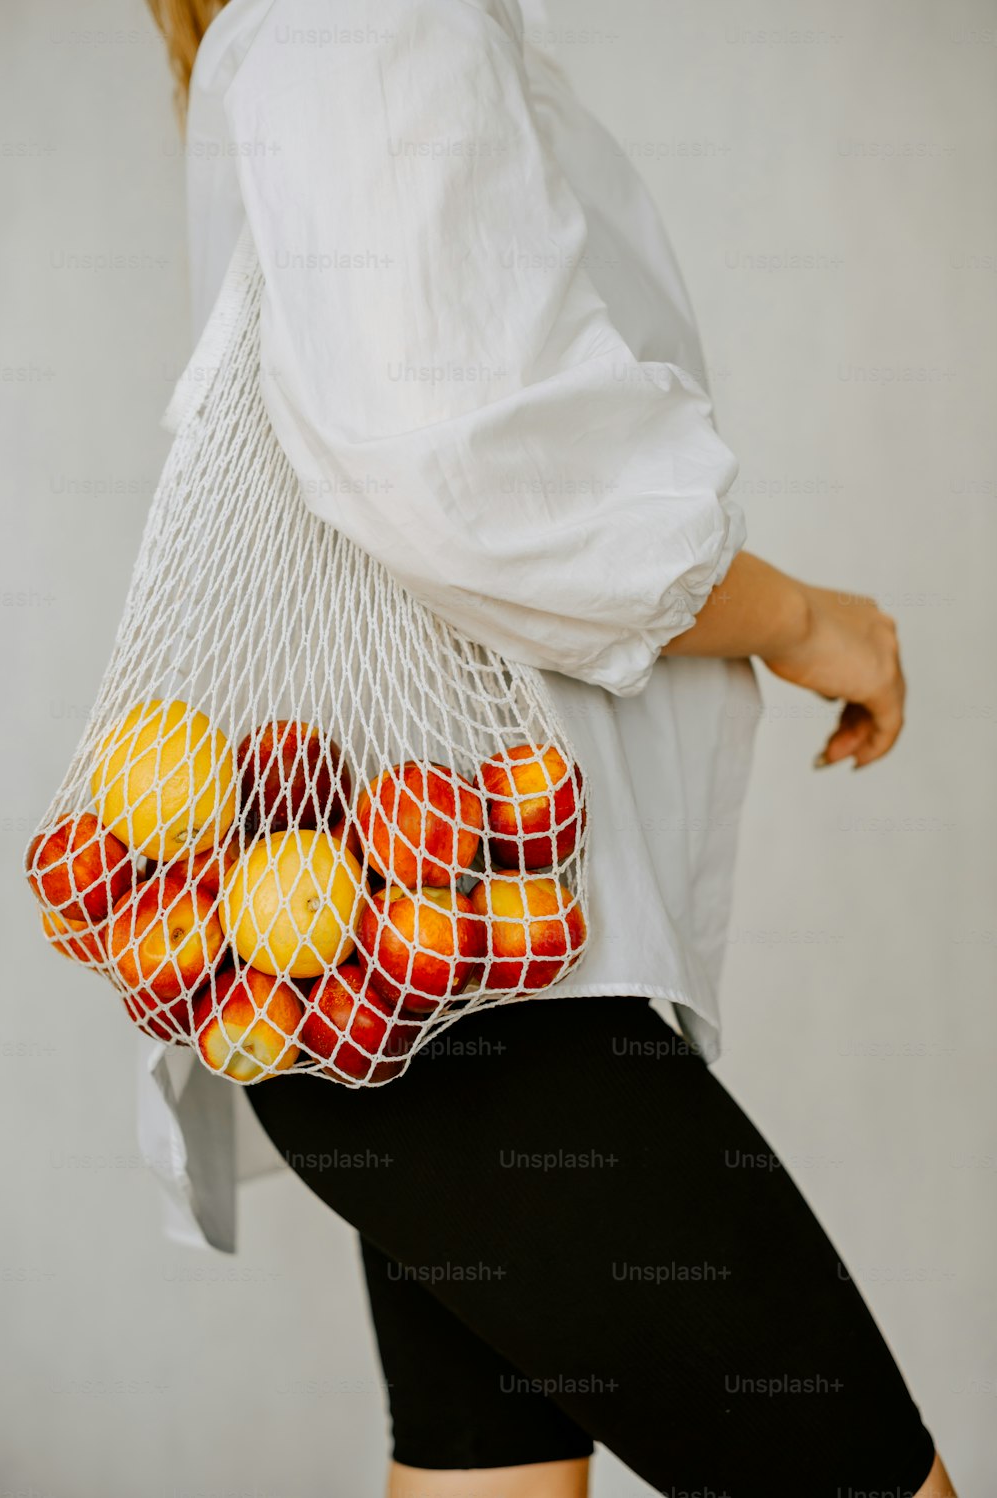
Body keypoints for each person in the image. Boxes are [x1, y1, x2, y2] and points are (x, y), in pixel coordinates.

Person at [140, 1, 957, 1494]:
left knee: (492, 1478)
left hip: (384, 952)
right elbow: (461, 480)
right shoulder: (370, 16)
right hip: (479, 993)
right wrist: (796, 615)